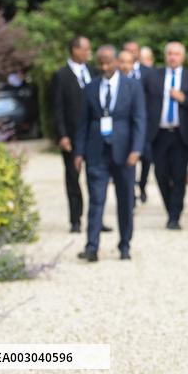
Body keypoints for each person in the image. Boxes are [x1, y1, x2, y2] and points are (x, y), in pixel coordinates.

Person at [73, 45, 146, 262]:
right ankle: (92, 246)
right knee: (96, 199)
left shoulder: (132, 86)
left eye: (108, 62)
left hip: (124, 152)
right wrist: (79, 151)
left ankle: (125, 245)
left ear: (116, 61)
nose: (105, 67)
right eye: (101, 63)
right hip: (97, 151)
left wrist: (136, 149)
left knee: (125, 200)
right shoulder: (91, 87)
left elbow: (139, 120)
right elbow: (83, 123)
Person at [144, 42, 188, 230]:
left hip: (180, 134)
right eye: (169, 53)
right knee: (161, 175)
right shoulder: (153, 76)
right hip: (158, 133)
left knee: (179, 176)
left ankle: (175, 216)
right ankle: (170, 209)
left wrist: (183, 99)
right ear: (165, 55)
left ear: (182, 57)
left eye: (176, 54)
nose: (173, 57)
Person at [50, 35, 94, 233]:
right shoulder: (62, 75)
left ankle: (96, 218)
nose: (88, 53)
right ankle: (75, 219)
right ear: (75, 50)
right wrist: (62, 135)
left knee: (95, 177)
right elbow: (57, 108)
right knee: (72, 177)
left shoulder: (92, 72)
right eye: (86, 49)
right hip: (72, 134)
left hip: (93, 135)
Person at [123, 40, 155, 203]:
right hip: (124, 126)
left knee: (147, 158)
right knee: (129, 160)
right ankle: (130, 195)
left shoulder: (148, 72)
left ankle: (142, 185)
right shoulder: (119, 72)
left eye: (134, 50)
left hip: (145, 124)